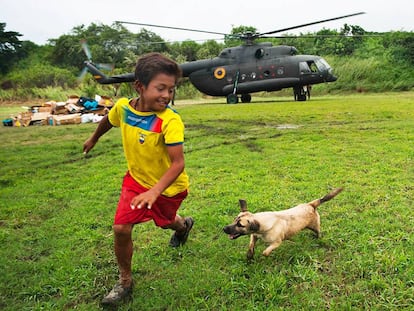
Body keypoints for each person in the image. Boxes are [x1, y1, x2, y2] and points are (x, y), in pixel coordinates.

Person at [83, 52, 194, 306]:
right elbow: (108, 121)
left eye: (171, 89)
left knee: (166, 222)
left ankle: (182, 225)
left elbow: (178, 164)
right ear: (140, 87)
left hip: (168, 189)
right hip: (136, 181)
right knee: (121, 228)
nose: (167, 95)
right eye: (160, 88)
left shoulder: (170, 120)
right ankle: (124, 282)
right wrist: (93, 138)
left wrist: (155, 191)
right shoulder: (123, 107)